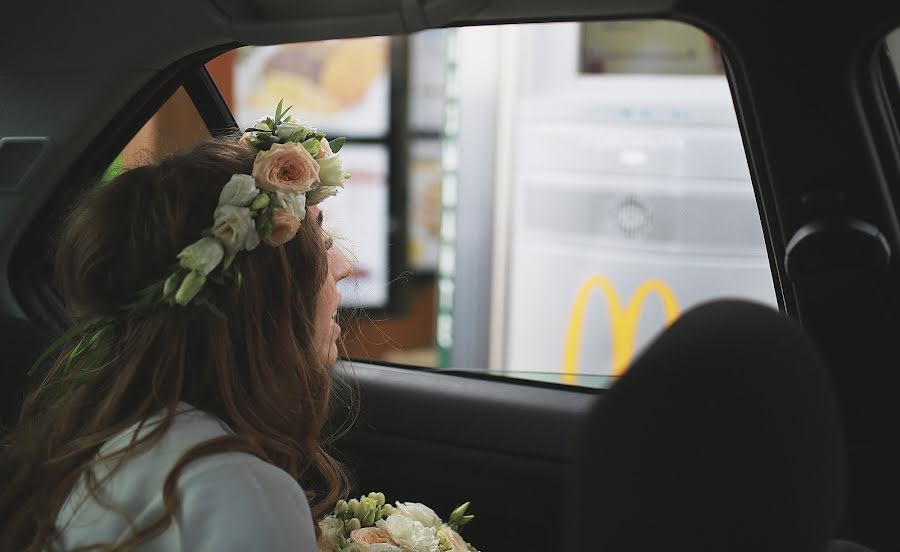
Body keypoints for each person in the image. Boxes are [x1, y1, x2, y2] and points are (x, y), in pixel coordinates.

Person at [0, 109, 354, 551]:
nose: (344, 267)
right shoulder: (237, 491)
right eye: (322, 246)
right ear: (258, 297)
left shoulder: (93, 443)